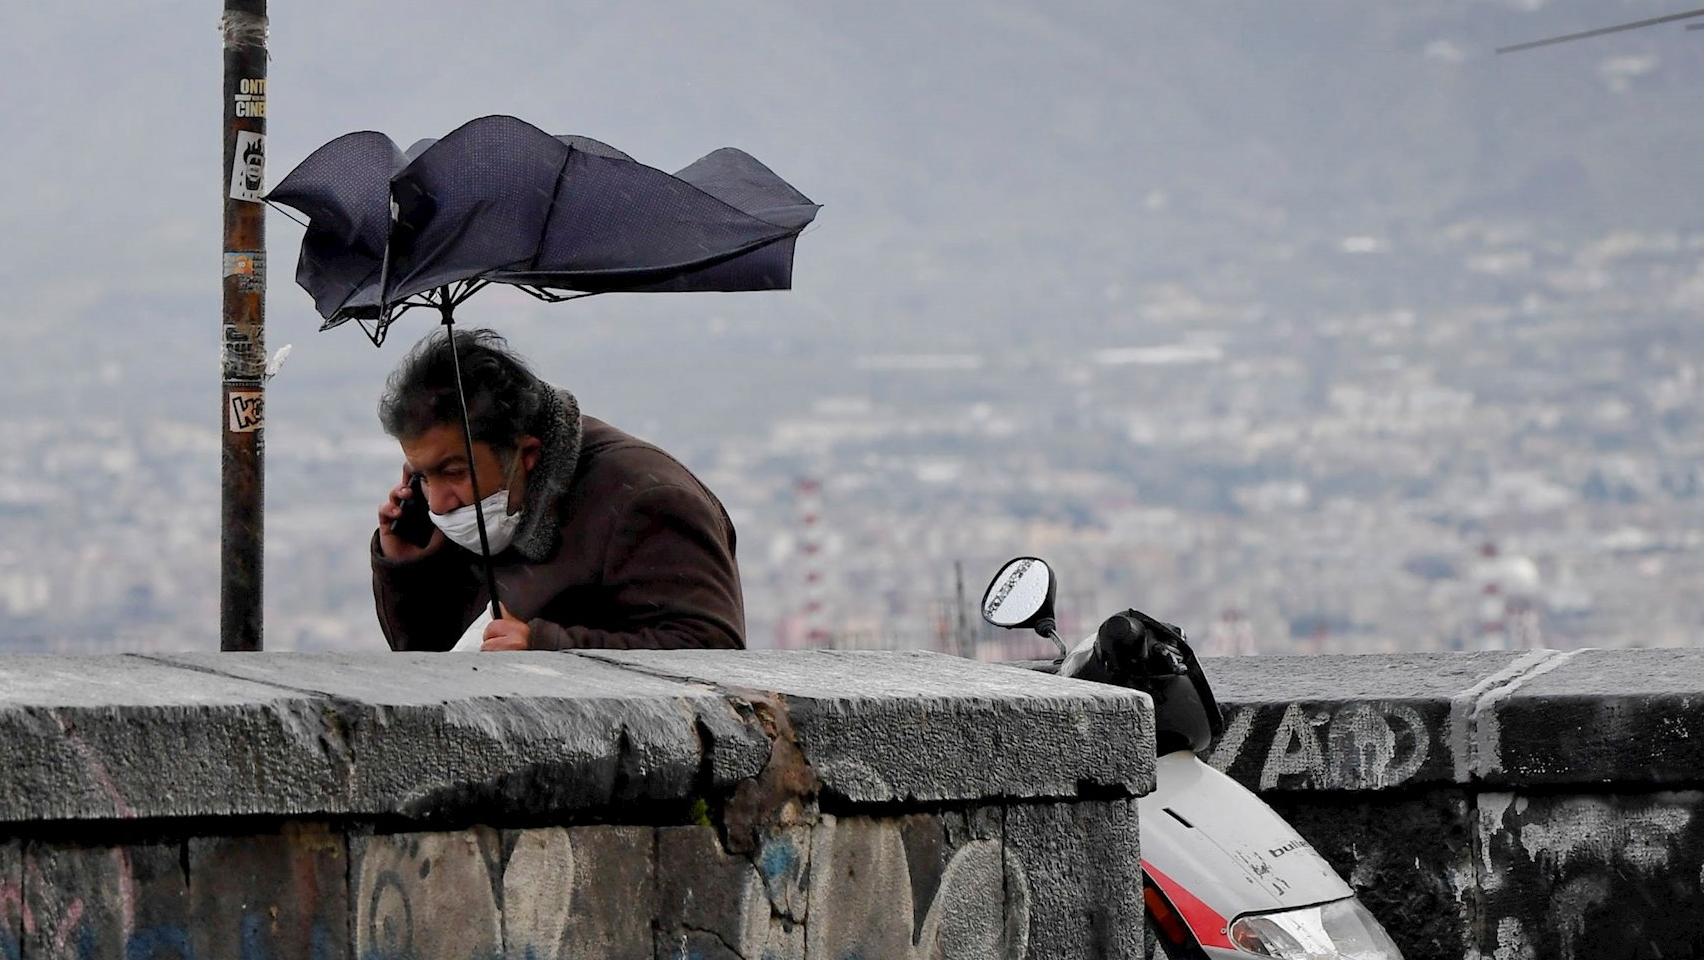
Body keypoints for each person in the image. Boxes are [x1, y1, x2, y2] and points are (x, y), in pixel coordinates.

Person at [371, 328, 745, 651]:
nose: (438, 501)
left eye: (452, 472)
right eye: (421, 476)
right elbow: (436, 666)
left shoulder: (645, 501)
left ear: (526, 453)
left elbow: (710, 651)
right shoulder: (483, 500)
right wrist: (409, 572)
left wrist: (545, 650)